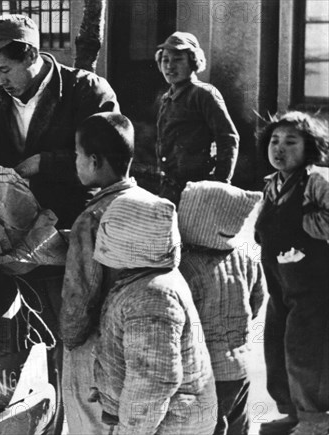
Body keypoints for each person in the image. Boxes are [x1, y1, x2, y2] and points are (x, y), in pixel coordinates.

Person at [0, 14, 119, 229]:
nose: (0, 80)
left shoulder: (88, 90)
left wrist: (44, 163)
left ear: (31, 55)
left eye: (5, 70)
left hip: (75, 222)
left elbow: (108, 161)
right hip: (11, 225)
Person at [92, 188, 216, 434]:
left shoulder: (151, 296)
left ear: (129, 240)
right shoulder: (150, 279)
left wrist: (130, 431)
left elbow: (153, 381)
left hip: (170, 424)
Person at [58, 112, 136, 433]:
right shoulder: (146, 203)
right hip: (134, 339)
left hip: (96, 348)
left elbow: (81, 298)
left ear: (93, 161)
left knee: (88, 423)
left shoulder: (91, 220)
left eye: (77, 155)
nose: (75, 162)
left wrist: (69, 339)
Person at [254, 111, 329, 435]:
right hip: (279, 286)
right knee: (276, 348)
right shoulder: (272, 184)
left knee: (306, 353)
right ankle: (291, 411)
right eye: (274, 141)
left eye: (290, 142)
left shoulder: (317, 180)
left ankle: (314, 419)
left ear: (309, 146)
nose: (279, 149)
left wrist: (306, 222)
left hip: (313, 287)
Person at [177, 181, 266, 435]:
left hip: (208, 371)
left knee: (212, 427)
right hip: (241, 366)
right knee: (238, 425)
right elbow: (257, 301)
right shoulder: (246, 259)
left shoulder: (185, 265)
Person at [155, 31, 239, 205]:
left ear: (193, 62)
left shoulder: (203, 94)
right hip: (169, 187)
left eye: (178, 59)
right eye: (165, 60)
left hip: (198, 187)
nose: (170, 66)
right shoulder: (166, 98)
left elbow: (228, 139)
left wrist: (220, 183)